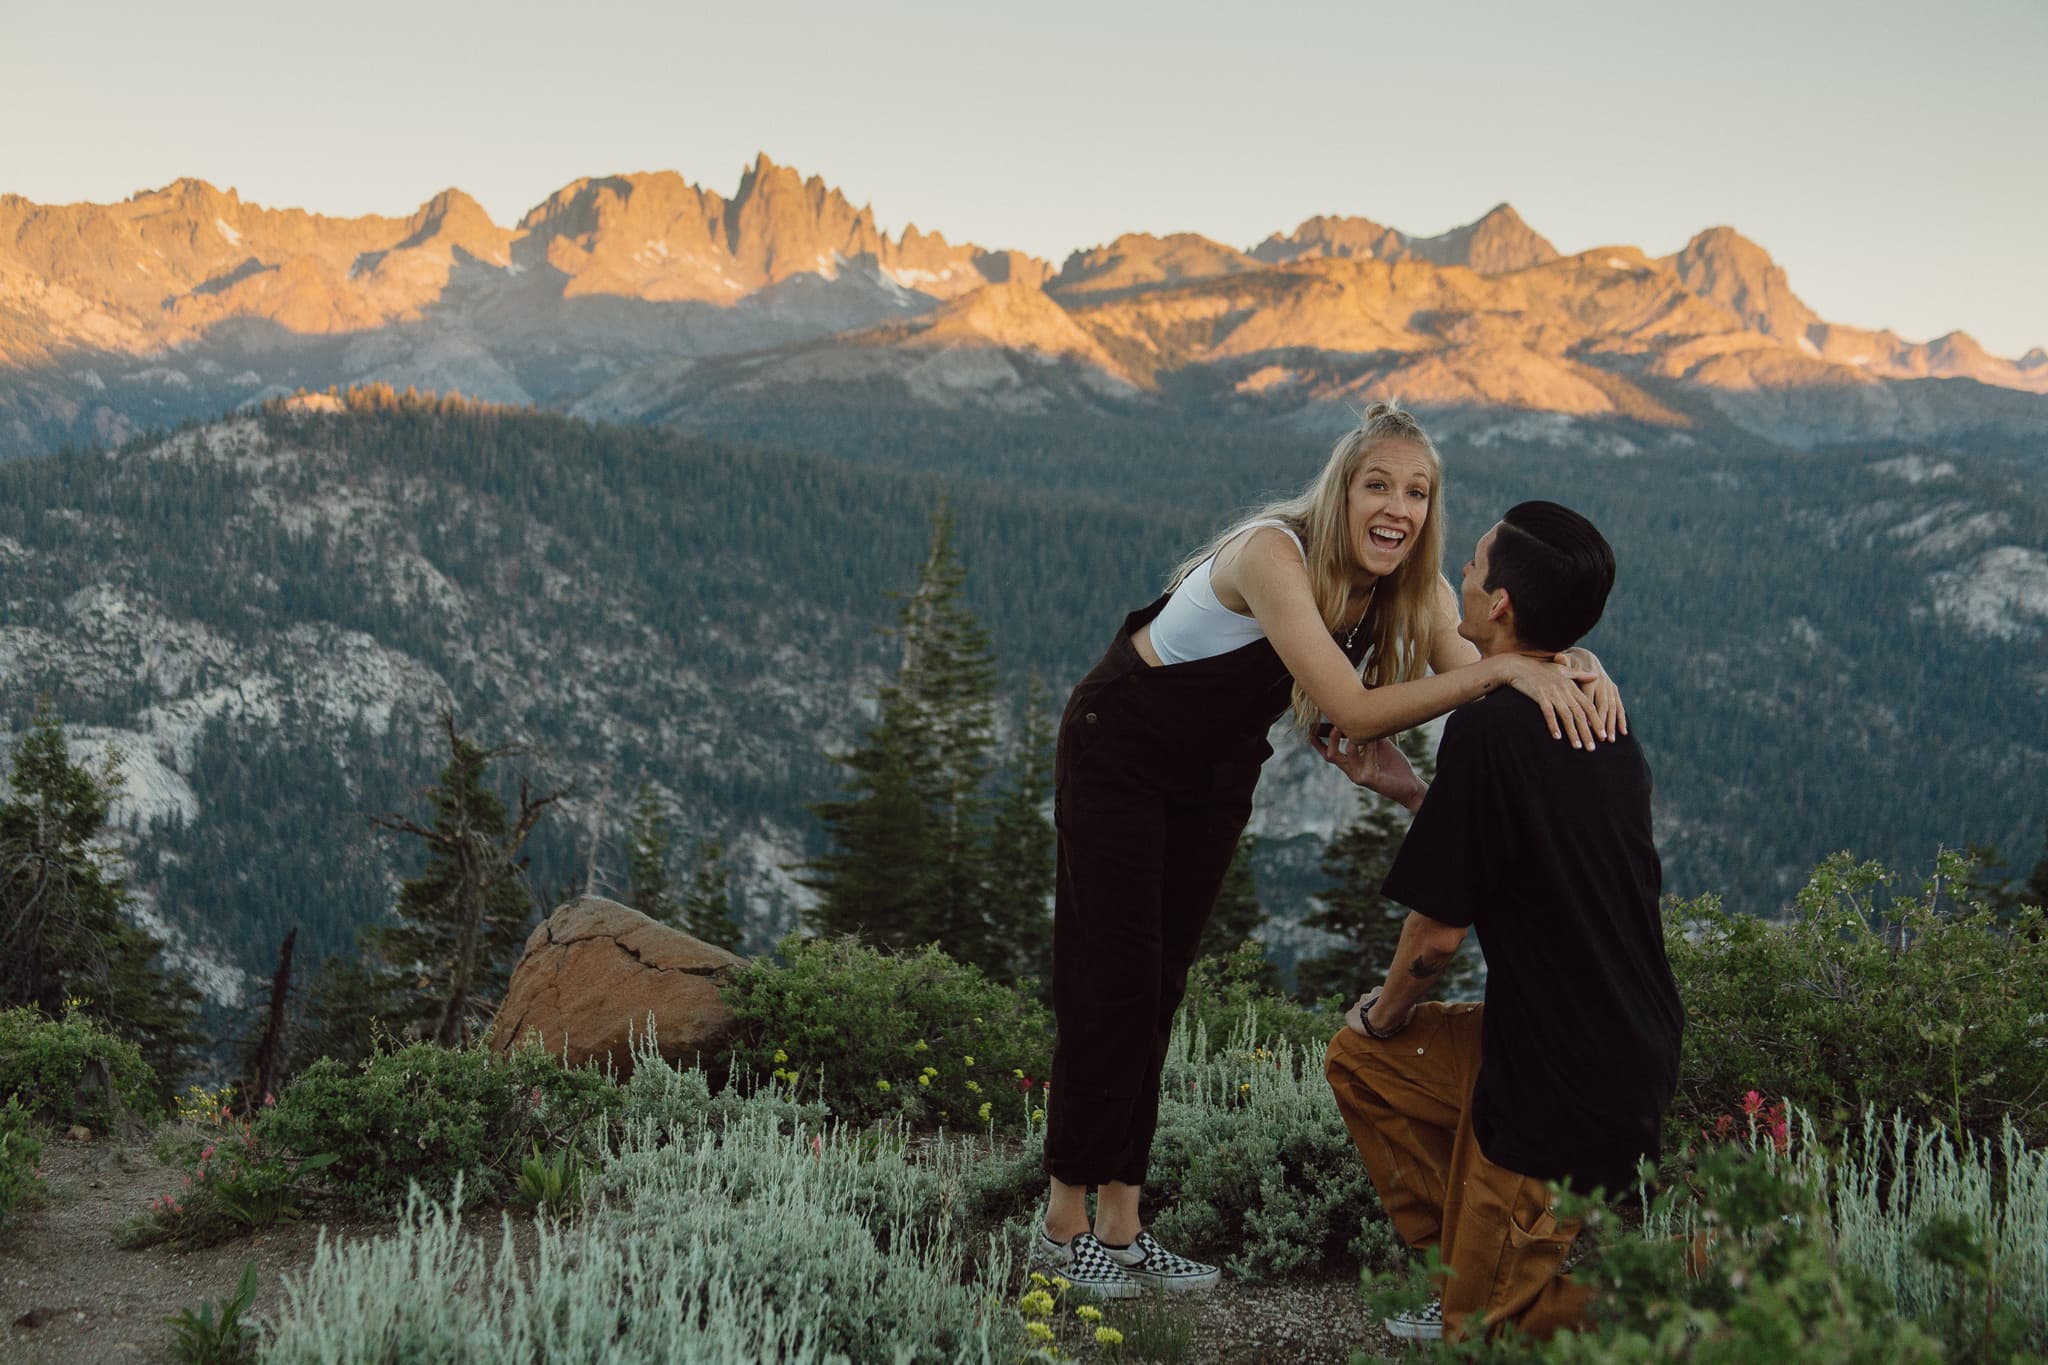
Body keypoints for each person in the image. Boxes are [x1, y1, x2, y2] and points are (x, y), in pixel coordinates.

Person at [1035, 406, 1625, 1298]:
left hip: (1213, 772)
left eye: (1418, 492)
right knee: (1108, 978)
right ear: (1342, 487)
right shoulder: (1274, 554)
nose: (1398, 508)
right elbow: (1357, 708)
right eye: (1378, 484)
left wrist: (1568, 659)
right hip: (1119, 748)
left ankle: (1122, 1225)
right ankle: (1061, 1226)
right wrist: (1506, 670)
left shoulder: (1413, 589)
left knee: (1159, 982)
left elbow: (1488, 660)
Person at [1320, 501, 1682, 1343]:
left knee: (1480, 1343)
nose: (1462, 583)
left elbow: (1438, 937)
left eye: (1476, 568)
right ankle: (1468, 1265)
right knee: (1364, 1068)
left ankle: (1675, 1296)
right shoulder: (1599, 712)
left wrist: (1384, 1010)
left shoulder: (1494, 725)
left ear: (1501, 606)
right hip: (1617, 1050)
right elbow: (1520, 853)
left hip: (1555, 1088)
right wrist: (1413, 791)